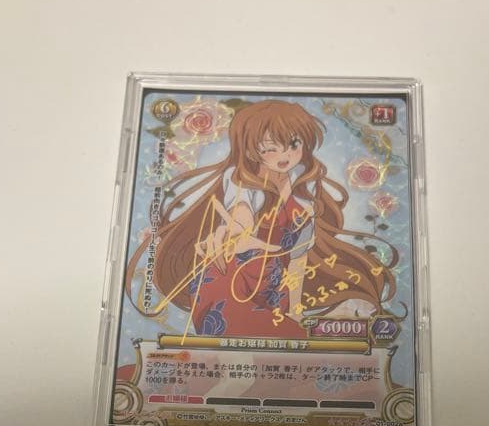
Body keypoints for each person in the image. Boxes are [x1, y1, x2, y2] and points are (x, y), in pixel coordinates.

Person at [125, 99, 398, 338]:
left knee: (295, 334)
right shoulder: (241, 181)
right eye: (270, 148)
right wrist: (237, 232)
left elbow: (298, 258)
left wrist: (294, 310)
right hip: (229, 282)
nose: (284, 155)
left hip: (272, 286)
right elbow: (240, 211)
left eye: (293, 144)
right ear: (250, 150)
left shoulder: (304, 192)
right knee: (270, 335)